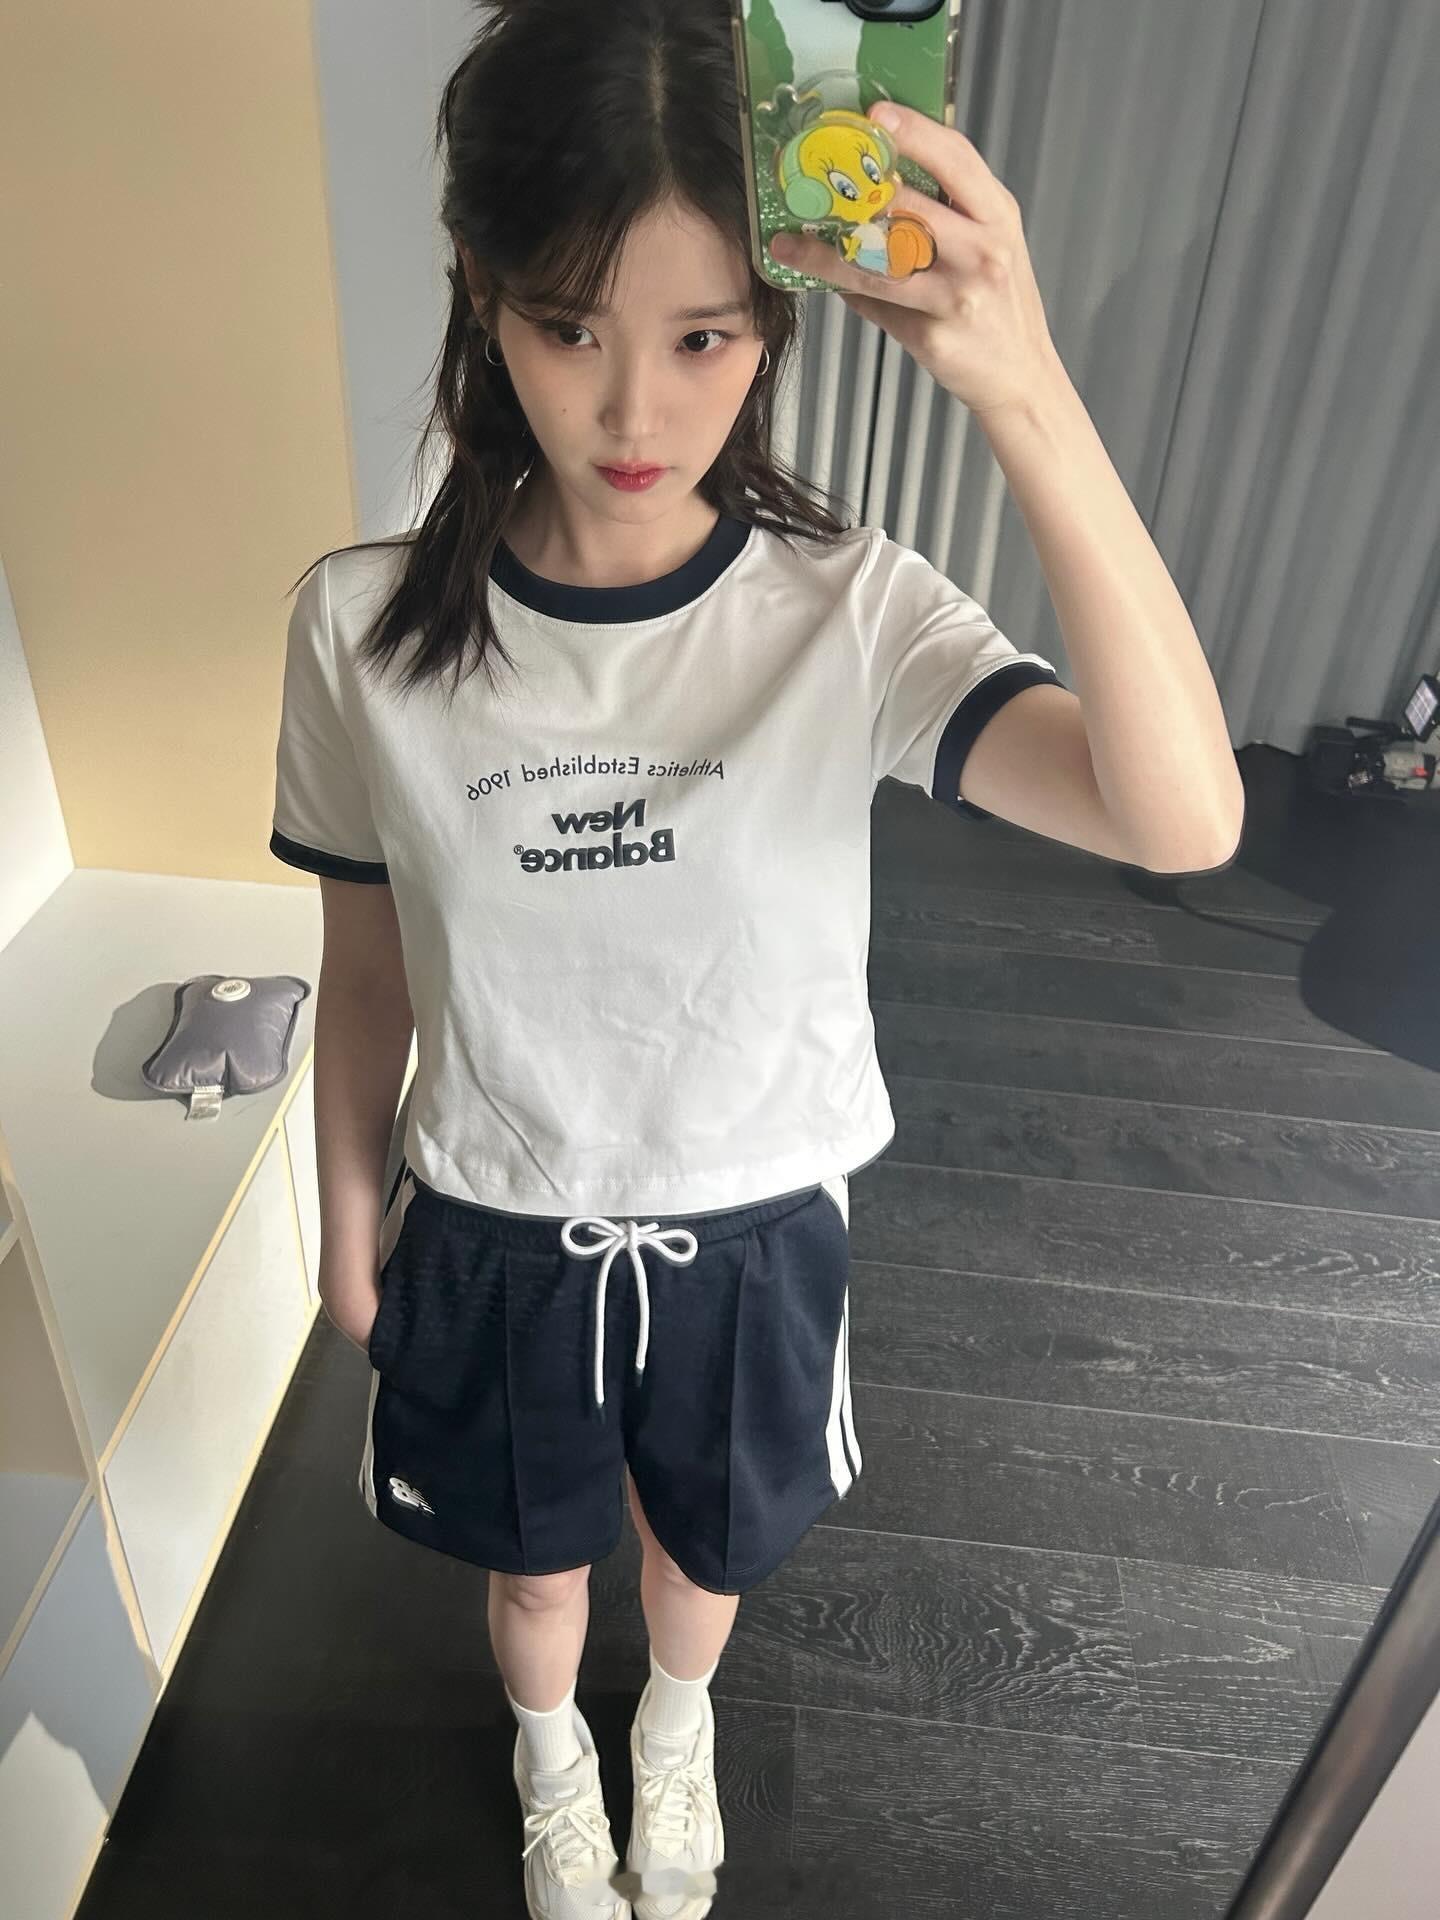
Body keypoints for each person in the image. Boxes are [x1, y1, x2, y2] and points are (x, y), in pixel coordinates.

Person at [269, 2, 1061, 1915]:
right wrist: (348, 1212)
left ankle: (676, 1734)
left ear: (777, 320)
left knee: (700, 1553)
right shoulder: (359, 630)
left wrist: (1020, 381)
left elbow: (1184, 818)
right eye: (570, 328)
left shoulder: (848, 612)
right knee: (535, 1569)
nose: (635, 414)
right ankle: (553, 1758)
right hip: (494, 1215)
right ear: (482, 294)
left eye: (704, 336)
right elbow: (365, 959)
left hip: (755, 1222)